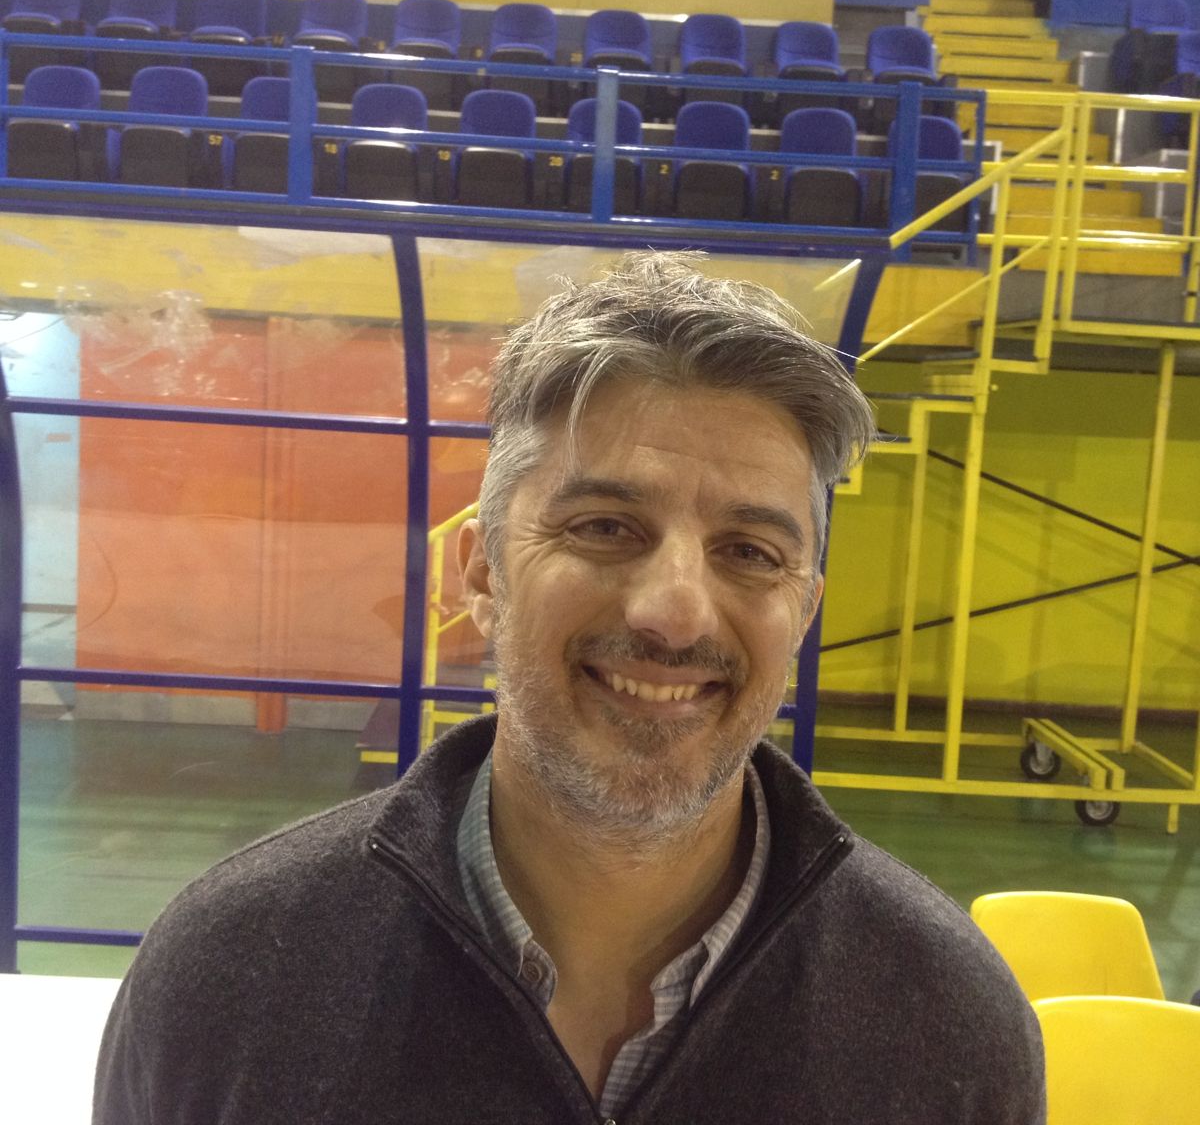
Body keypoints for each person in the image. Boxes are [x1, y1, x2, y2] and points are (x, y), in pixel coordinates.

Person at [94, 251, 1044, 1124]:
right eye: (604, 528)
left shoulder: (947, 1023)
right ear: (482, 575)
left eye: (750, 552)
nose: (676, 613)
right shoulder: (228, 979)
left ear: (802, 611)